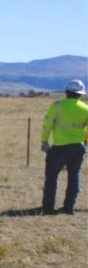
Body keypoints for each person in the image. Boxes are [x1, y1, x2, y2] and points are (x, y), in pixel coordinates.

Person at [39, 79, 88, 215]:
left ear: (66, 92)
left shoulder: (57, 106)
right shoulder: (86, 109)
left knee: (51, 177)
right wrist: (85, 144)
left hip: (59, 147)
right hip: (78, 147)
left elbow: (47, 125)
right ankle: (69, 207)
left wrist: (44, 141)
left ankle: (48, 208)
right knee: (74, 176)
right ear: (80, 94)